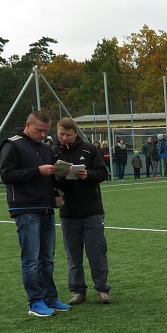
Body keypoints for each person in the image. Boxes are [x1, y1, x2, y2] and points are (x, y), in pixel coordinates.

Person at [0, 111, 72, 317]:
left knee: (47, 258)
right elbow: (6, 175)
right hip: (25, 208)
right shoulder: (12, 144)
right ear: (27, 125)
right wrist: (37, 171)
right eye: (39, 130)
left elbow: (50, 178)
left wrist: (60, 174)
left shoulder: (46, 148)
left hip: (46, 207)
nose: (42, 135)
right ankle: (35, 302)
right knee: (31, 259)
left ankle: (50, 298)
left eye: (46, 131)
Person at [53, 117, 112, 307]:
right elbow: (50, 182)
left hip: (92, 211)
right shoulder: (53, 152)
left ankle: (102, 289)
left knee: (97, 252)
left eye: (68, 135)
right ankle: (78, 291)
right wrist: (58, 177)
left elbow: (103, 173)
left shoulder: (89, 149)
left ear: (75, 134)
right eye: (61, 134)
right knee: (73, 255)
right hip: (68, 213)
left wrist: (88, 175)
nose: (63, 138)